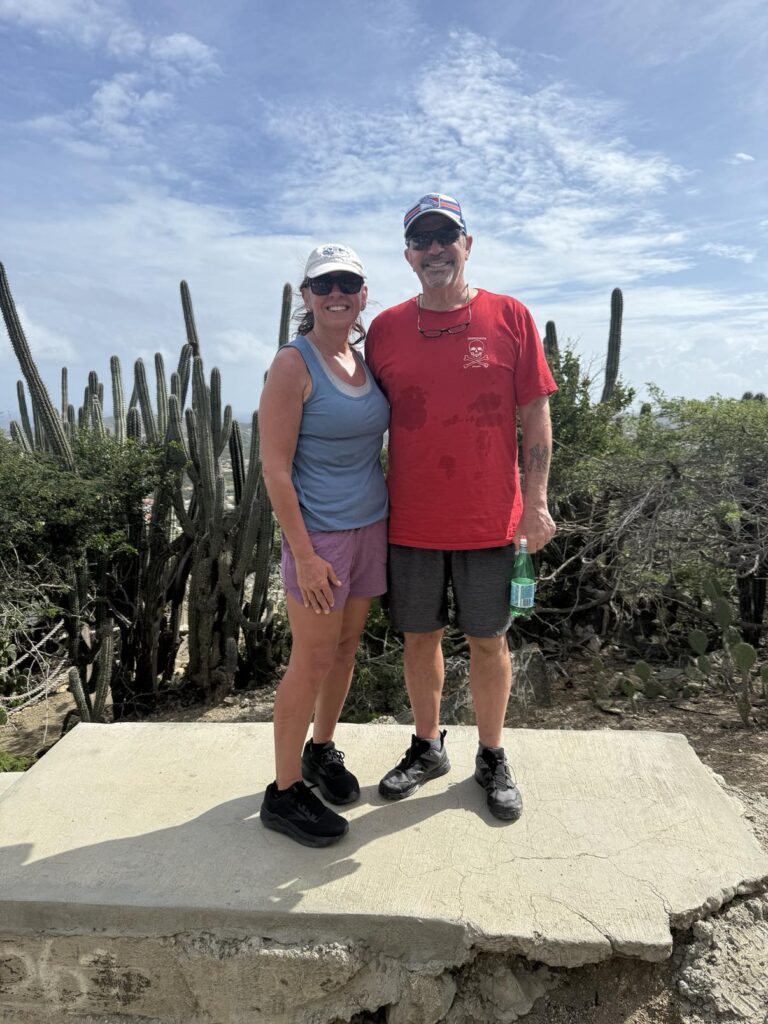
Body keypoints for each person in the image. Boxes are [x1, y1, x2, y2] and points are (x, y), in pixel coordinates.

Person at [365, 194, 557, 821]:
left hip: (489, 519)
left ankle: (493, 755)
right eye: (422, 241)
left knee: (489, 641)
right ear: (408, 256)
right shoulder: (387, 329)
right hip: (411, 520)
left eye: (446, 237)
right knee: (419, 639)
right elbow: (354, 412)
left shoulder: (510, 316)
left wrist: (538, 502)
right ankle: (428, 746)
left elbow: (536, 416)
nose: (434, 249)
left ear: (467, 246)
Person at [258, 243, 389, 847]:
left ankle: (321, 750)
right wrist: (304, 554)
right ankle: (283, 795)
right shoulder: (294, 364)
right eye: (324, 283)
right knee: (309, 660)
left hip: (370, 529)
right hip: (321, 540)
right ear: (306, 295)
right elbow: (275, 469)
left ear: (363, 295)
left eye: (348, 282)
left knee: (343, 652)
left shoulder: (363, 362)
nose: (336, 292)